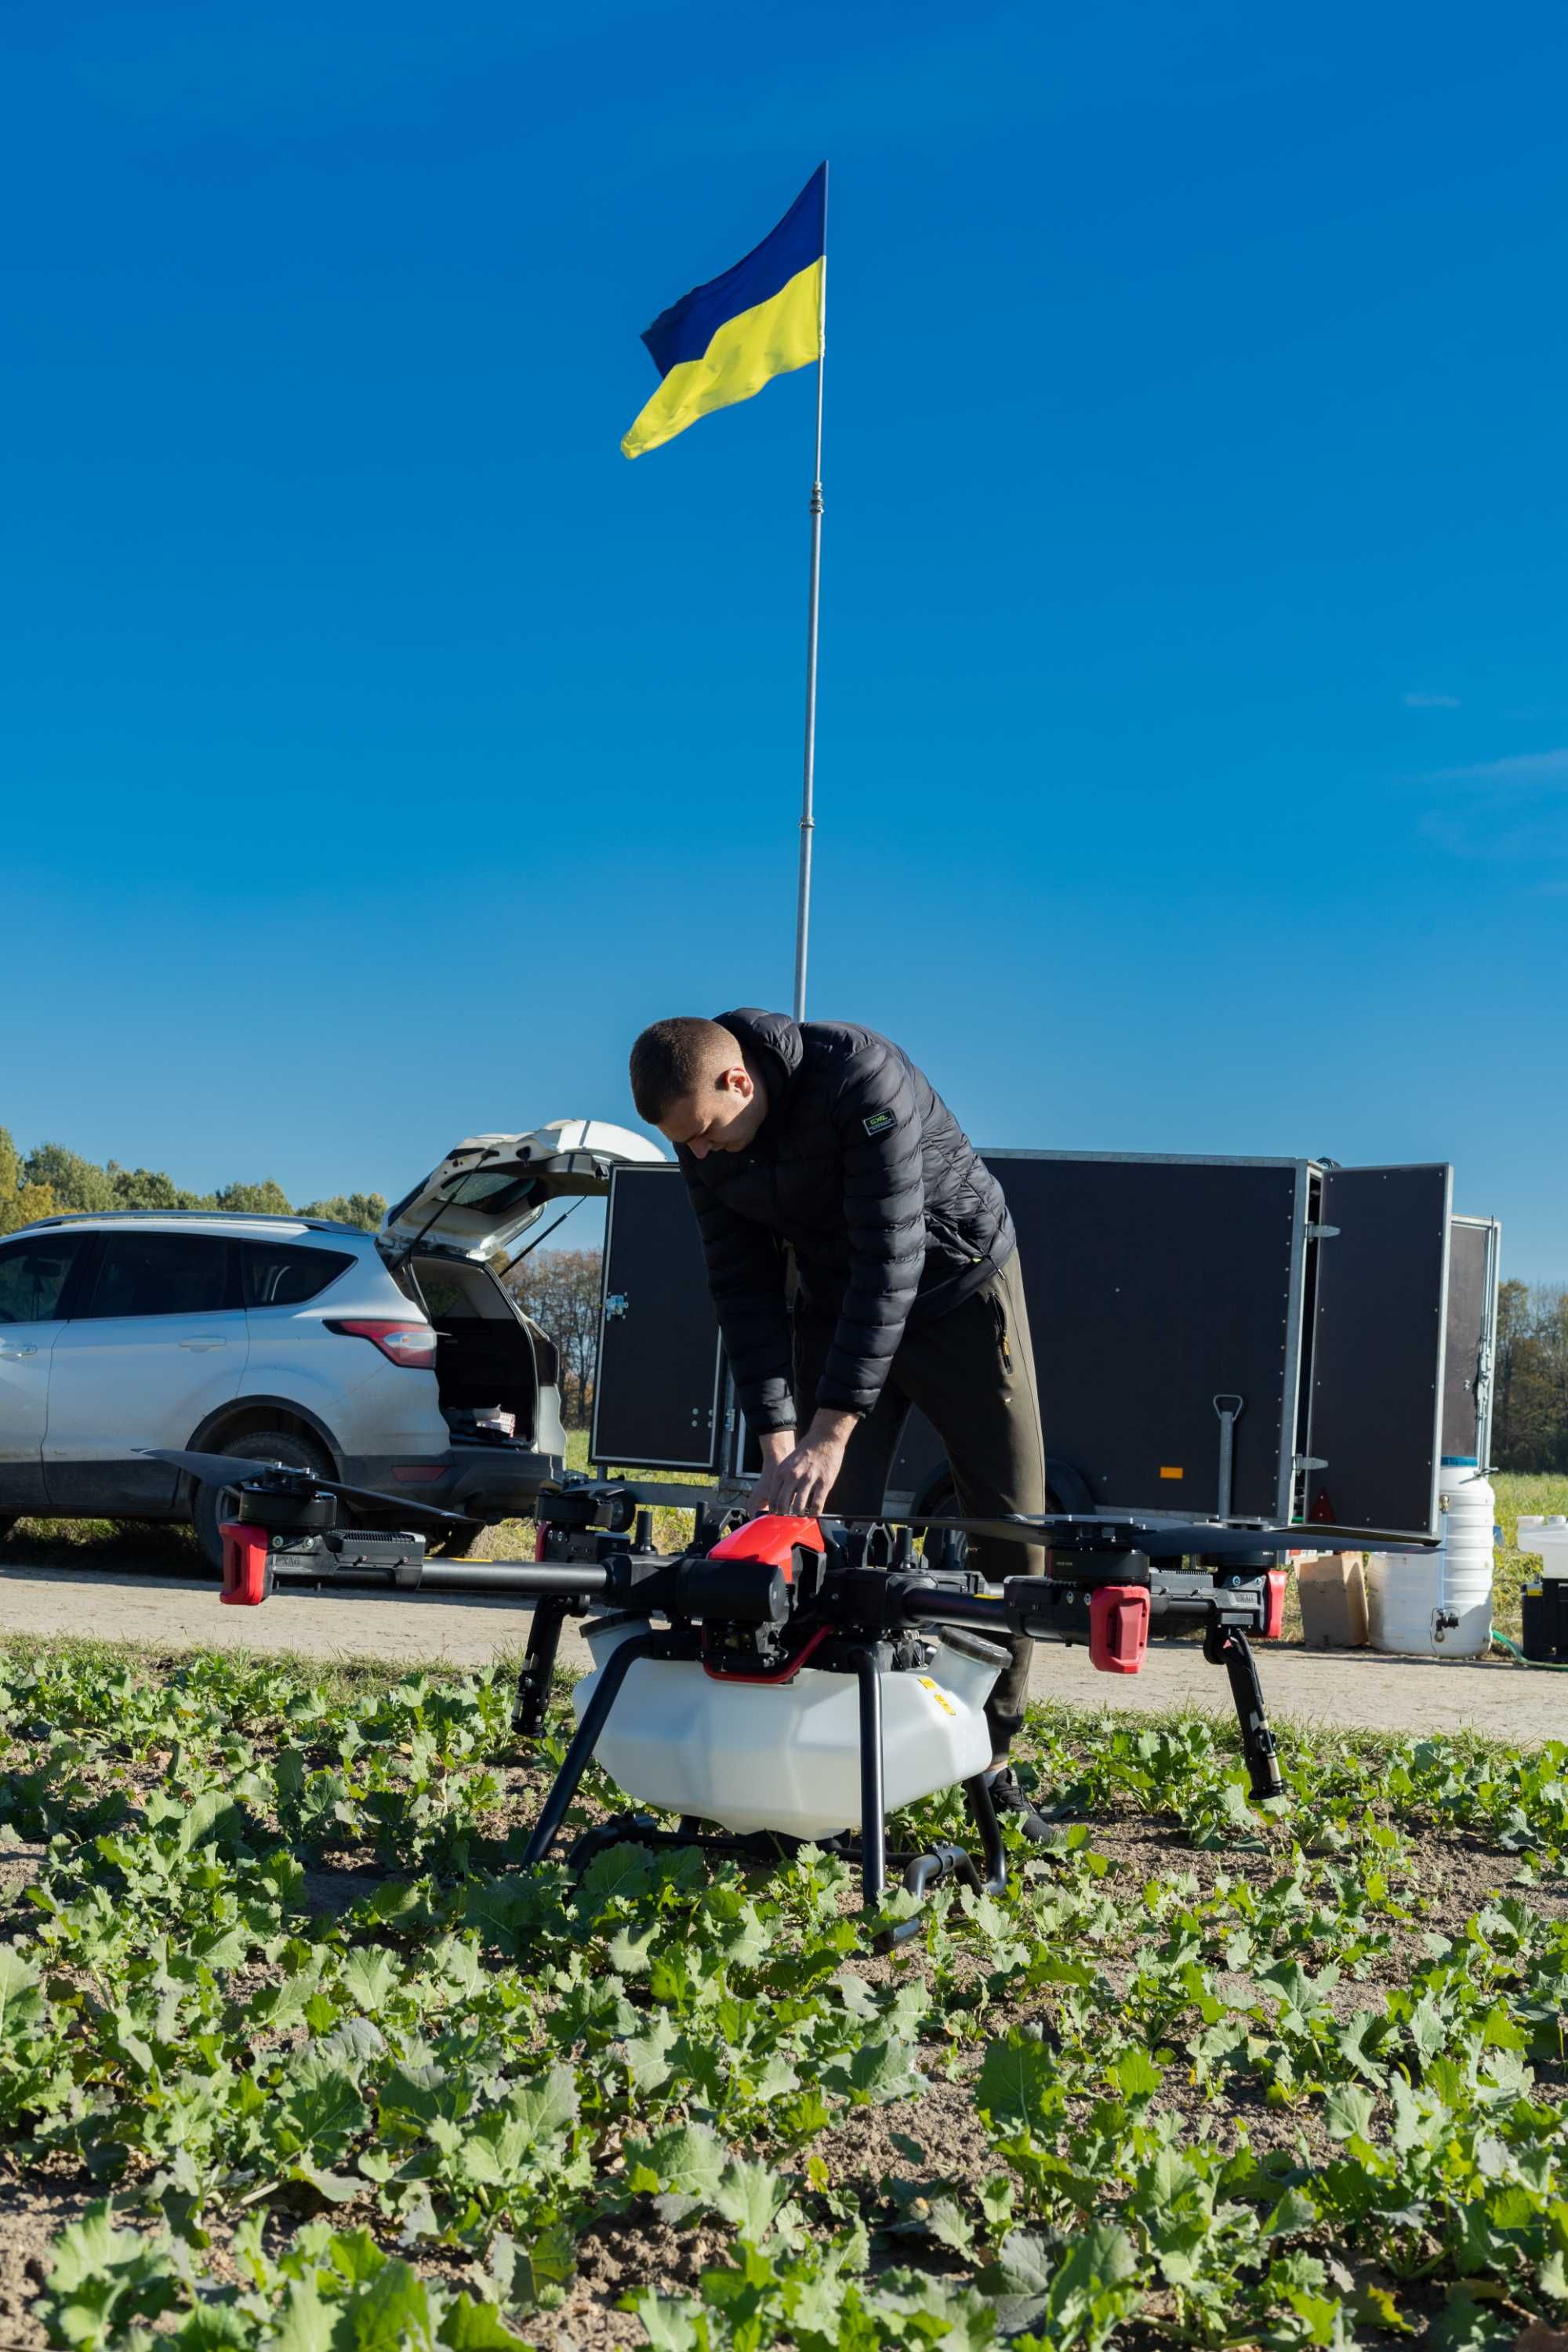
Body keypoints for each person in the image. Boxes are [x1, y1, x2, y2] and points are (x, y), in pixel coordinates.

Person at [628, 1007, 1051, 1829]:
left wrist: (830, 1428)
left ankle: (992, 1757)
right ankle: (823, 1762)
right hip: (832, 1299)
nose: (701, 1154)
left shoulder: (861, 1077)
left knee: (1009, 1525)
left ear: (738, 1080)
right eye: (687, 1144)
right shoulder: (701, 1137)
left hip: (954, 1287)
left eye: (709, 1133)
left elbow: (889, 1259)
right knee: (818, 1527)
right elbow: (740, 1288)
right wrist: (779, 1439)